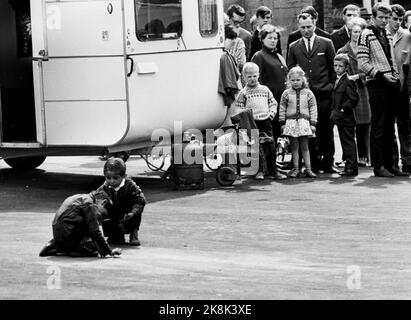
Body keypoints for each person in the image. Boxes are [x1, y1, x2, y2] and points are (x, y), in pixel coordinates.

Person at [288, 13, 338, 174]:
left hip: (324, 94)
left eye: (309, 26)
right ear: (298, 27)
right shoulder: (294, 46)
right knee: (306, 130)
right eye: (302, 27)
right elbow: (291, 70)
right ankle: (313, 164)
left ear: (314, 24)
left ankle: (329, 162)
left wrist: (330, 86)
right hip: (303, 96)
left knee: (326, 129)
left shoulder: (326, 43)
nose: (306, 30)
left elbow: (333, 68)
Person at [357, 3, 402, 177]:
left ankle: (391, 164)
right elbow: (363, 62)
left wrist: (395, 76)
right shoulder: (366, 34)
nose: (384, 21)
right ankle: (379, 165)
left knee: (390, 126)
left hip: (391, 83)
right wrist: (381, 75)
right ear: (374, 17)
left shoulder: (388, 34)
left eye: (386, 18)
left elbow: (392, 60)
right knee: (378, 126)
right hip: (377, 84)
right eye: (381, 17)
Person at [235, 62, 287, 180]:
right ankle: (259, 171)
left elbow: (273, 102)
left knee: (270, 146)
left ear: (258, 75)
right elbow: (238, 109)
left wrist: (271, 114)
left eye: (254, 76)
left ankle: (273, 170)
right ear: (244, 77)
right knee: (256, 147)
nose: (252, 79)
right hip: (252, 123)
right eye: (249, 76)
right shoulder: (243, 93)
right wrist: (245, 121)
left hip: (266, 121)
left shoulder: (265, 89)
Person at [39, 190, 122, 258]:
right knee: (91, 224)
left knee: (92, 243)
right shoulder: (89, 203)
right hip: (68, 231)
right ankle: (74, 249)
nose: (101, 219)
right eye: (103, 214)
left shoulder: (79, 197)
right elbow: (94, 231)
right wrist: (109, 251)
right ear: (103, 203)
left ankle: (56, 245)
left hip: (59, 233)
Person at [338, 17, 371, 167]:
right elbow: (338, 71)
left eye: (360, 31)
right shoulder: (343, 51)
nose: (357, 34)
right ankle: (349, 157)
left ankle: (366, 156)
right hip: (349, 92)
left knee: (366, 124)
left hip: (365, 90)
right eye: (354, 31)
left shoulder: (367, 49)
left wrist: (358, 76)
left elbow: (373, 70)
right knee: (349, 125)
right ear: (350, 32)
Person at [251, 24, 288, 149]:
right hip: (266, 104)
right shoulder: (259, 56)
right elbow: (256, 82)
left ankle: (275, 163)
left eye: (275, 38)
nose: (273, 40)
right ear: (262, 39)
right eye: (270, 38)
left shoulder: (278, 56)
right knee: (267, 137)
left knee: (277, 134)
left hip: (280, 102)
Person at [279, 66, 318, 178]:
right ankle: (296, 169)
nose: (295, 82)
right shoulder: (286, 93)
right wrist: (282, 123)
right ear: (288, 81)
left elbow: (313, 108)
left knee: (305, 146)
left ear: (303, 80)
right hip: (291, 123)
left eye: (298, 80)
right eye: (292, 80)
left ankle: (308, 169)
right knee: (294, 147)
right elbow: (282, 108)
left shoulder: (308, 93)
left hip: (304, 123)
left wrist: (313, 123)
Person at [98, 158, 146, 246]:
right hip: (115, 213)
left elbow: (140, 200)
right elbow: (97, 196)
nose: (111, 181)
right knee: (102, 209)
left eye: (115, 178)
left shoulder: (130, 185)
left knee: (136, 210)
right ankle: (115, 235)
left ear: (123, 176)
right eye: (108, 178)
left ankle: (134, 233)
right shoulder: (105, 187)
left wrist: (133, 212)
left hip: (128, 212)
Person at [388, 4, 411, 175]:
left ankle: (408, 161)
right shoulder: (381, 35)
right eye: (394, 19)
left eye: (400, 20)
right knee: (388, 126)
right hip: (387, 86)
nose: (397, 23)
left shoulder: (407, 36)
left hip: (403, 87)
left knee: (404, 126)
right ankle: (393, 162)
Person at [330, 54, 360, 176]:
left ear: (346, 67)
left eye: (340, 66)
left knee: (348, 143)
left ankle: (352, 168)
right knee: (344, 142)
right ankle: (349, 166)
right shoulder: (337, 80)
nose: (337, 68)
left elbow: (354, 98)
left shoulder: (348, 81)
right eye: (335, 65)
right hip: (340, 117)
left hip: (346, 117)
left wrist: (343, 109)